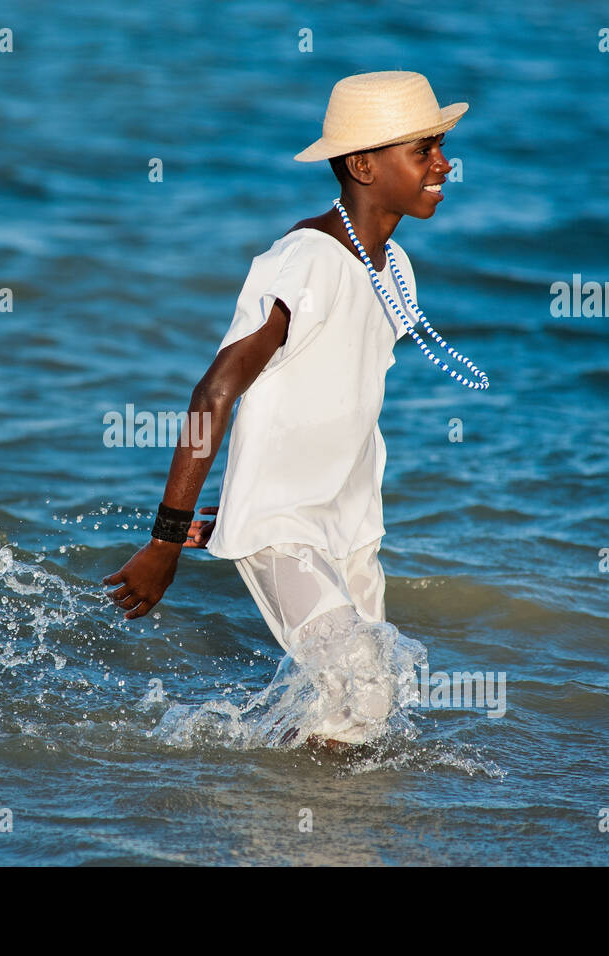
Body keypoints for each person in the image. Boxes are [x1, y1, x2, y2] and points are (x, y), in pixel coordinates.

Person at [102, 71, 468, 751]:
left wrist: (232, 507)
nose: (445, 164)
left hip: (350, 525)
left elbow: (331, 400)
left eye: (441, 147)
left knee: (370, 705)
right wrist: (165, 538)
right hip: (285, 528)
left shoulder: (395, 269)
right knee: (356, 680)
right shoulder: (305, 260)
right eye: (424, 151)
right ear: (362, 164)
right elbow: (215, 390)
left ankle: (306, 825)